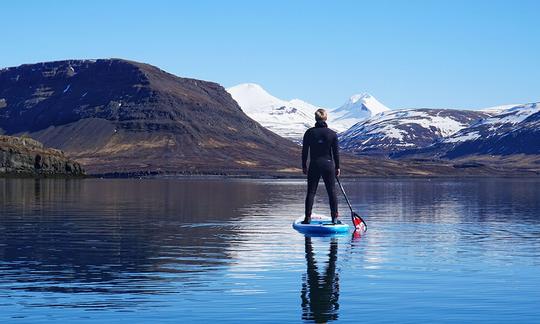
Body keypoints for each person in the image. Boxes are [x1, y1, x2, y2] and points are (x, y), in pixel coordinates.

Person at [301, 108, 340, 224]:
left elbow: (304, 151)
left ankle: (307, 218)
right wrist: (337, 167)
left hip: (314, 164)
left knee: (311, 192)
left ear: (315, 118)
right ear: (326, 118)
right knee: (332, 192)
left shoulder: (309, 133)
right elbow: (336, 153)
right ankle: (334, 218)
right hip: (328, 165)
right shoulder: (332, 134)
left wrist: (304, 165)